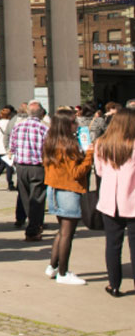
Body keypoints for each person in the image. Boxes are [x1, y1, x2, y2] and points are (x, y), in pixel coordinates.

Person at [41, 112, 94, 286]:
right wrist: (89, 155)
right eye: (73, 121)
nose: (77, 124)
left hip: (54, 188)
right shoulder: (68, 145)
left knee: (62, 231)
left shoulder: (51, 141)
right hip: (68, 190)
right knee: (67, 233)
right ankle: (63, 273)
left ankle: (54, 266)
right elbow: (76, 172)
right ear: (66, 125)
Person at [94, 107, 135, 298]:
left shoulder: (102, 144)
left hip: (110, 201)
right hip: (132, 200)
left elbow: (100, 171)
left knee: (113, 244)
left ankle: (114, 284)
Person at [10, 100, 49, 241]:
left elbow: (12, 146)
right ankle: (33, 228)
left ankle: (33, 224)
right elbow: (48, 149)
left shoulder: (18, 126)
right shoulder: (44, 128)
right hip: (37, 166)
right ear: (41, 114)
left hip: (21, 166)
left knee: (26, 197)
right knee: (37, 198)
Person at [0, 106, 15, 190]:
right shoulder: (9, 123)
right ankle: (10, 184)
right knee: (9, 165)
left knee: (3, 164)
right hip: (5, 146)